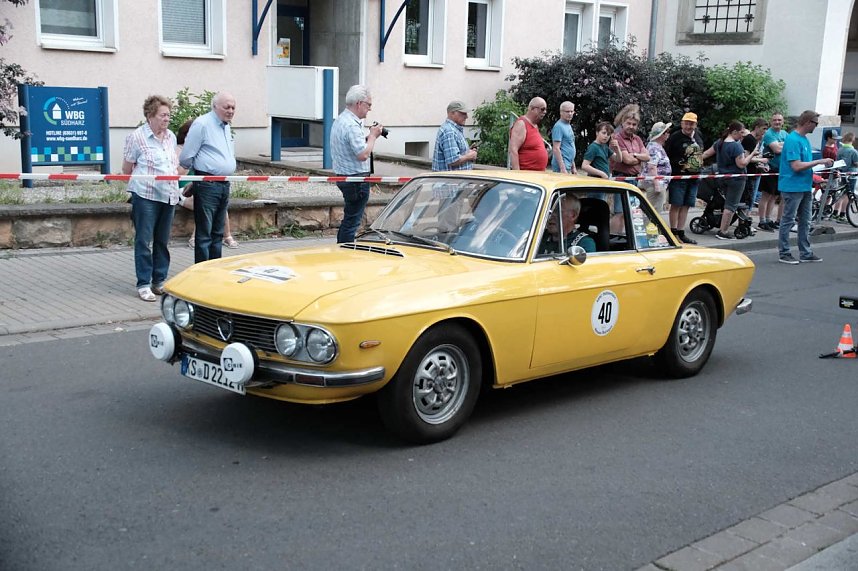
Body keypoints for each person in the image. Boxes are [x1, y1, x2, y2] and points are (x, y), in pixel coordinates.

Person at [122, 95, 180, 302]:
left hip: (168, 194)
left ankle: (159, 280)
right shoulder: (137, 137)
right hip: (145, 195)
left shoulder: (170, 137)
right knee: (144, 240)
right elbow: (126, 168)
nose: (167, 119)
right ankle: (144, 283)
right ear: (150, 116)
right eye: (163, 115)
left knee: (162, 241)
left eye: (168, 115)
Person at [179, 92, 237, 263]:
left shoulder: (225, 126)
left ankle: (214, 269)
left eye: (233, 107)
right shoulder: (203, 124)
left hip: (223, 182)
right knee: (205, 232)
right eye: (227, 107)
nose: (231, 111)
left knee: (218, 232)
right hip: (207, 182)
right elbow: (187, 156)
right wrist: (197, 177)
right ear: (215, 106)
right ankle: (202, 272)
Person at [777, 110, 834, 264]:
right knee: (788, 220)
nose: (816, 126)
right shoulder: (793, 140)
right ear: (808, 122)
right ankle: (784, 252)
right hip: (792, 187)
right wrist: (818, 162)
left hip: (804, 186)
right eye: (815, 123)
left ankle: (805, 252)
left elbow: (805, 166)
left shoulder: (804, 140)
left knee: (805, 221)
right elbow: (796, 166)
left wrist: (816, 177)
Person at [330, 84, 384, 243]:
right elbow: (362, 154)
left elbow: (352, 147)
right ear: (359, 103)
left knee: (349, 219)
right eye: (369, 105)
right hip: (356, 179)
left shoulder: (340, 120)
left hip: (344, 176)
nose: (369, 109)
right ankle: (345, 252)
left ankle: (341, 249)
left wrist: (368, 138)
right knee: (352, 222)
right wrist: (373, 137)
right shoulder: (352, 125)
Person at [664, 111, 714, 244]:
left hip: (694, 176)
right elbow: (666, 155)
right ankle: (673, 232)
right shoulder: (675, 137)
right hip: (679, 176)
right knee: (676, 204)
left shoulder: (698, 136)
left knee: (687, 205)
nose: (688, 126)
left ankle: (681, 232)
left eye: (691, 124)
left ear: (695, 125)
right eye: (686, 123)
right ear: (681, 123)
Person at [714, 121, 759, 240]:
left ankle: (723, 228)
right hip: (737, 179)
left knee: (727, 204)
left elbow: (709, 152)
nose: (743, 136)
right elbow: (741, 163)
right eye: (741, 133)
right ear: (734, 132)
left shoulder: (720, 142)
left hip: (723, 177)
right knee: (731, 205)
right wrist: (752, 154)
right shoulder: (736, 146)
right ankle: (723, 231)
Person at [758, 112, 787, 231]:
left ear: (783, 121)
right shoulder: (769, 134)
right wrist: (783, 145)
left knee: (774, 196)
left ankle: (768, 219)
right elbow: (777, 150)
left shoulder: (784, 133)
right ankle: (762, 221)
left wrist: (781, 144)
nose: (777, 122)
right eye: (775, 120)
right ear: (771, 121)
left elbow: (790, 146)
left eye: (779, 120)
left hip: (780, 169)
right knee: (766, 195)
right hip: (770, 168)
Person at [432, 100, 478, 171]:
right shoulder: (449, 131)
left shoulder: (453, 129)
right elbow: (453, 160)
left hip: (455, 181)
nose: (466, 117)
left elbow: (454, 154)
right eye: (463, 113)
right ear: (452, 113)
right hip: (451, 181)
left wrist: (467, 151)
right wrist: (469, 156)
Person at [611, 103, 650, 185]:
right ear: (623, 123)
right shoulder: (617, 138)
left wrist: (634, 155)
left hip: (635, 178)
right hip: (621, 179)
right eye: (629, 123)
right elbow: (627, 160)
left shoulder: (638, 139)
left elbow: (647, 157)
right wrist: (640, 158)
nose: (631, 126)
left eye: (634, 124)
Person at [509, 97, 548, 171]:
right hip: (526, 175)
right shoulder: (521, 124)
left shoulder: (534, 125)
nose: (545, 112)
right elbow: (513, 150)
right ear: (532, 108)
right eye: (542, 109)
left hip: (536, 175)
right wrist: (517, 175)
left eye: (545, 109)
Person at [741, 118, 770, 218]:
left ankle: (746, 220)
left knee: (751, 198)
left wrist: (760, 164)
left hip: (755, 172)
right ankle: (744, 220)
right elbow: (746, 157)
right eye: (764, 128)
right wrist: (761, 160)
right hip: (749, 173)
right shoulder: (749, 139)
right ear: (757, 127)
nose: (765, 131)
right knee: (748, 198)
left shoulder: (756, 140)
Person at [644, 121, 672, 213]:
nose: (668, 133)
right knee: (654, 212)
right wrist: (657, 184)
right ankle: (650, 227)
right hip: (655, 185)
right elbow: (652, 166)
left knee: (655, 211)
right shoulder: (654, 147)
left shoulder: (657, 146)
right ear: (661, 134)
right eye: (666, 131)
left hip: (658, 183)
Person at [834, 132, 858, 223]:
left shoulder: (840, 150)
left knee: (841, 194)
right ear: (853, 140)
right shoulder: (853, 151)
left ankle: (835, 212)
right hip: (851, 175)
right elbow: (856, 163)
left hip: (842, 173)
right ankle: (842, 214)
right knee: (848, 196)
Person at [550, 101, 577, 174]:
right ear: (561, 112)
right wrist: (562, 168)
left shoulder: (568, 125)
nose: (570, 114)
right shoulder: (559, 126)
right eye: (567, 111)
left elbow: (570, 145)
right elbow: (556, 148)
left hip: (568, 165)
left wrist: (573, 167)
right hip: (561, 168)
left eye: (572, 111)